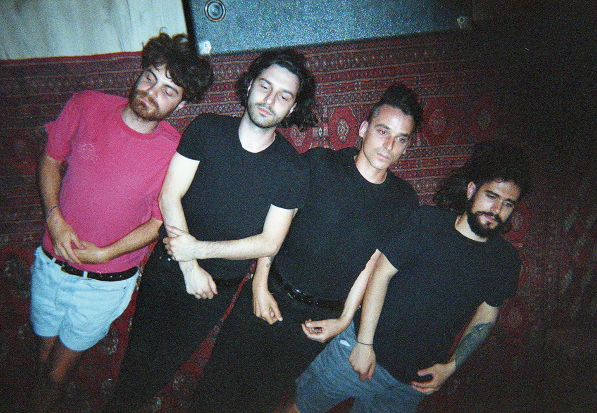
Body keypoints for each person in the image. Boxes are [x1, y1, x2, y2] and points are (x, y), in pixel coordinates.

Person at [103, 49, 319, 413]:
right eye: (265, 86)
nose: (270, 100)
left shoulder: (293, 169)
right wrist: (189, 265)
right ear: (249, 86)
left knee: (158, 373)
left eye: (284, 96)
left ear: (293, 107)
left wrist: (198, 251)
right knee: (135, 366)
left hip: (214, 288)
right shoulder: (206, 129)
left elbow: (270, 242)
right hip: (169, 267)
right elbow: (170, 195)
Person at [193, 83, 423, 413]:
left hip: (316, 323)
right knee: (214, 389)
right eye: (382, 131)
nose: (388, 145)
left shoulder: (403, 200)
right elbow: (275, 225)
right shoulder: (319, 164)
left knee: (262, 401)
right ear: (363, 129)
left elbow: (371, 264)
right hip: (270, 293)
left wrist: (344, 319)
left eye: (400, 139)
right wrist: (259, 285)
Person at [28, 33, 213, 412]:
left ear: (181, 103)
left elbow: (159, 223)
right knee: (42, 361)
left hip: (103, 284)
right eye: (150, 78)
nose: (152, 93)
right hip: (50, 266)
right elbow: (50, 159)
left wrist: (105, 253)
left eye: (168, 91)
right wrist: (54, 219)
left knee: (57, 375)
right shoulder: (86, 104)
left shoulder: (176, 154)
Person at [290, 140, 531, 413]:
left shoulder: (505, 261)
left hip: (414, 380)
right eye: (491, 196)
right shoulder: (427, 222)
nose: (496, 210)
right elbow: (380, 275)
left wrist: (451, 366)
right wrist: (364, 343)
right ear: (471, 191)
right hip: (361, 349)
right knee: (300, 407)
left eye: (508, 204)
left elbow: (486, 317)